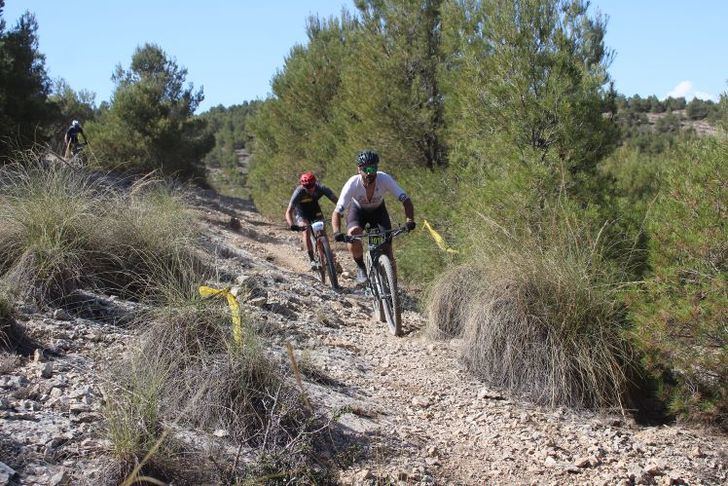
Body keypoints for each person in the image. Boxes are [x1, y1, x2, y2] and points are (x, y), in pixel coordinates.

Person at [331, 150, 415, 284]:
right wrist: (336, 232)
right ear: (359, 169)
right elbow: (337, 212)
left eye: (373, 168)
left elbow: (406, 200)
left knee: (388, 250)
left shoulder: (384, 178)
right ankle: (360, 267)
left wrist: (409, 220)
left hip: (378, 212)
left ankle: (394, 289)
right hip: (358, 212)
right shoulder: (352, 184)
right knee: (353, 234)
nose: (370, 173)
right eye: (366, 169)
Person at [285, 171, 339, 268]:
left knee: (322, 232)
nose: (310, 189)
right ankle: (312, 260)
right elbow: (288, 211)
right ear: (302, 186)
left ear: (315, 183)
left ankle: (328, 254)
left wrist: (340, 211)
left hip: (315, 212)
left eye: (311, 186)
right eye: (307, 187)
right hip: (301, 213)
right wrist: (292, 225)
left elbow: (337, 201)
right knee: (306, 231)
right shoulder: (299, 192)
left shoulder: (321, 188)